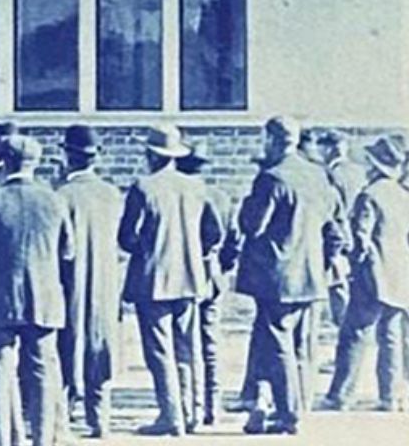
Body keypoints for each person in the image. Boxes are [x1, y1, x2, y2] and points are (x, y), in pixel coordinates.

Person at [0, 135, 72, 446]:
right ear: (36, 162)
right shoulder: (55, 200)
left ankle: (2, 440)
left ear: (3, 161)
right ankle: (43, 440)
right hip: (45, 300)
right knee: (43, 374)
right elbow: (67, 252)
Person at [235, 116, 346, 436]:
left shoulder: (271, 178)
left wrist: (246, 203)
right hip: (309, 277)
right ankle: (275, 406)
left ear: (270, 139)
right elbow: (336, 232)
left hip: (275, 278)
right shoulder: (319, 177)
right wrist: (320, 264)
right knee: (295, 346)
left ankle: (288, 415)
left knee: (277, 345)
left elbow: (252, 226)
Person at [119, 125, 223, 436]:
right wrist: (192, 252)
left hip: (153, 280)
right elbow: (213, 234)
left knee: (160, 352)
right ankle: (190, 413)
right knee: (187, 347)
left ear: (150, 154)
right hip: (191, 280)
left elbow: (126, 237)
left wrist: (148, 248)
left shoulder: (143, 187)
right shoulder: (197, 187)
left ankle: (171, 415)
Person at [320, 135, 409, 411]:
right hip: (398, 273)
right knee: (391, 335)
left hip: (372, 274)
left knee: (354, 333)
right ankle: (391, 396)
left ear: (374, 165)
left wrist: (354, 262)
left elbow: (361, 237)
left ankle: (341, 395)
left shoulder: (369, 195)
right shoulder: (402, 195)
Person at [55, 125, 123, 439]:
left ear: (67, 156)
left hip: (69, 282)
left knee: (68, 342)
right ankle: (100, 418)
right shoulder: (111, 194)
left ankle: (64, 417)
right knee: (101, 343)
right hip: (106, 284)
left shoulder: (60, 196)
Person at [179, 146, 237, 426]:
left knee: (185, 342)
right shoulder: (220, 197)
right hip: (211, 276)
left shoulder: (180, 195)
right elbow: (233, 242)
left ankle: (190, 405)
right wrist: (219, 267)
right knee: (210, 341)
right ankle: (212, 406)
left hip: (183, 276)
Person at [317, 130, 369, 328]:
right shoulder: (359, 172)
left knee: (338, 285)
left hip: (339, 234)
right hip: (358, 234)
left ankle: (345, 329)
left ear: (328, 149)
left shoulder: (330, 175)